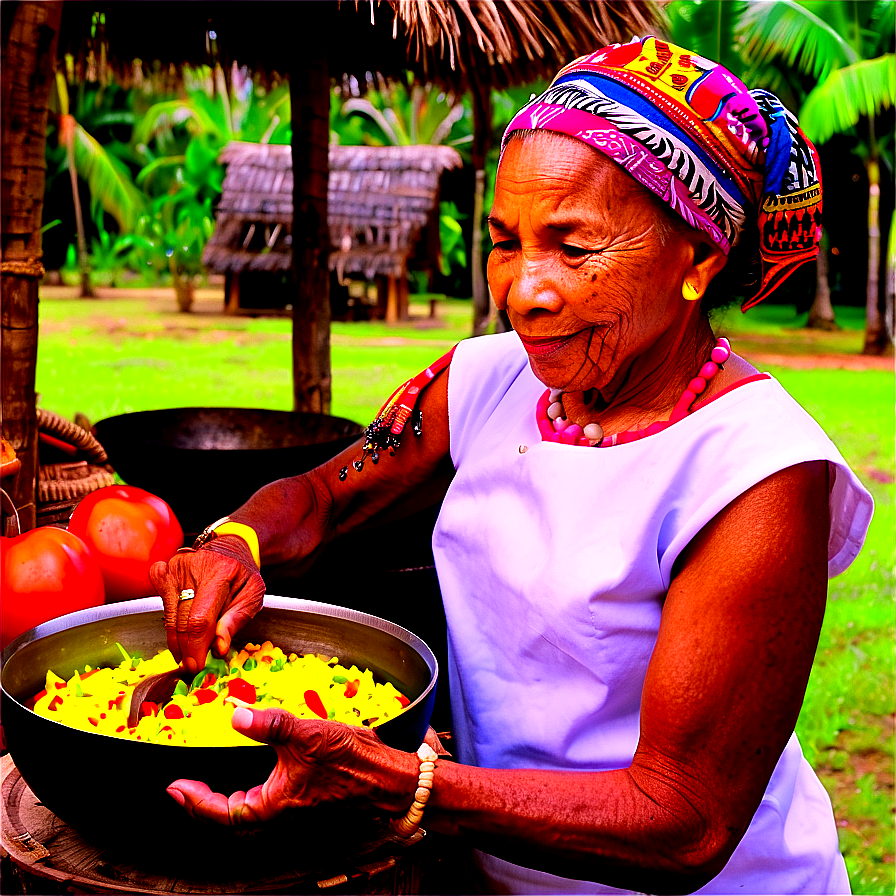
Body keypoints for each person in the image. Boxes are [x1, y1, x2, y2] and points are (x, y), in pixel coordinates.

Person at [150, 37, 873, 895]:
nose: (522, 291)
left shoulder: (756, 474)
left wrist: (402, 786)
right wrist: (236, 542)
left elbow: (683, 822)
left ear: (698, 259)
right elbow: (320, 500)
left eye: (572, 248)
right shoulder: (485, 381)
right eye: (505, 242)